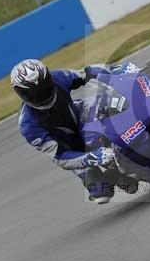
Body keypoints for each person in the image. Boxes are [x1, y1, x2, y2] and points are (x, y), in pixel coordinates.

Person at [10, 58, 141, 204]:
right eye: (34, 93)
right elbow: (60, 157)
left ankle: (141, 127)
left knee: (111, 101)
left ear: (48, 78)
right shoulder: (28, 126)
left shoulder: (58, 77)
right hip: (72, 151)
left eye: (44, 86)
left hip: (82, 119)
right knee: (102, 193)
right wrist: (91, 157)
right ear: (21, 93)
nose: (42, 94)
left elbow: (87, 73)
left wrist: (115, 70)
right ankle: (114, 175)